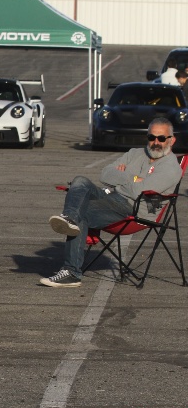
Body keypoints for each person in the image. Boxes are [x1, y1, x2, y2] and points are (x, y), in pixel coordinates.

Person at [40, 117, 181, 288]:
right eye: (152, 137)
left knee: (81, 210)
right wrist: (134, 178)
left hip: (132, 210)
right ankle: (69, 219)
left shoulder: (171, 168)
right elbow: (105, 174)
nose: (156, 142)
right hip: (113, 198)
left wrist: (121, 180)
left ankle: (71, 272)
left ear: (172, 140)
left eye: (161, 138)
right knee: (80, 182)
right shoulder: (135, 153)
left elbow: (139, 192)